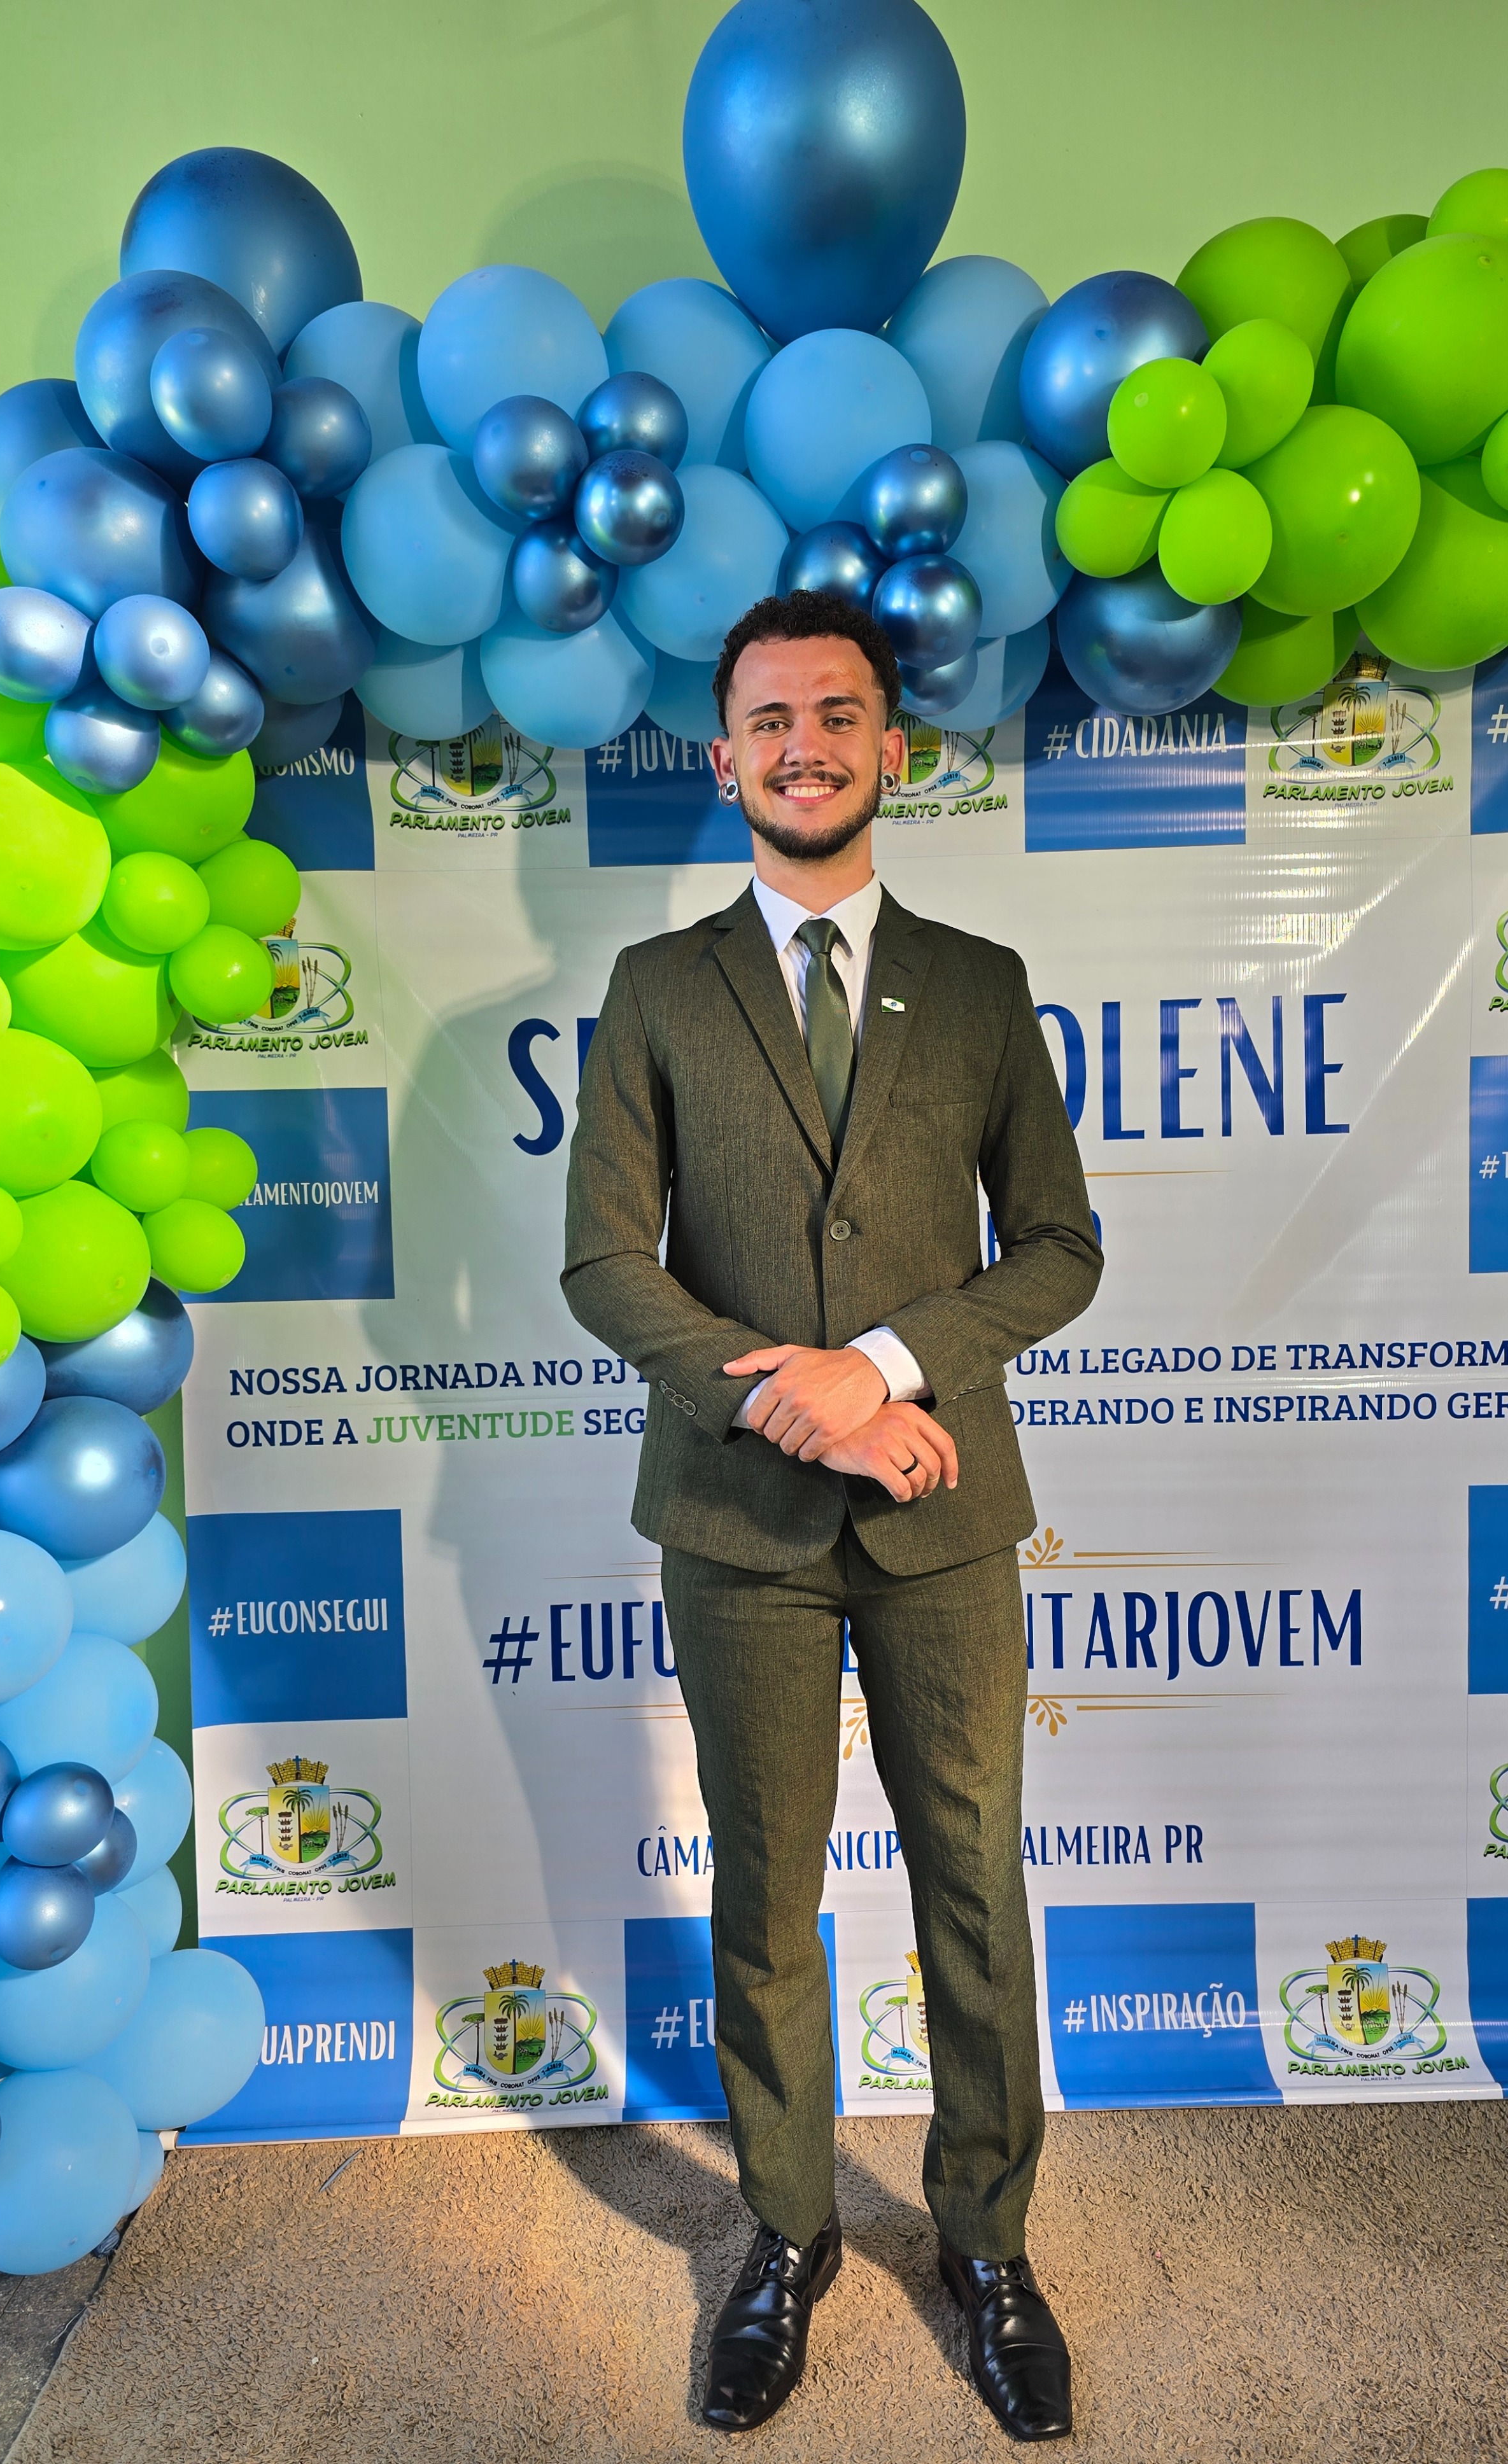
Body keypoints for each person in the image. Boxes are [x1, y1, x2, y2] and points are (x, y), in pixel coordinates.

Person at [562, 591, 1101, 2442]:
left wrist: (878, 1369)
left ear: (892, 747)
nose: (807, 746)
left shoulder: (982, 983)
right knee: (766, 1893)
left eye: (840, 714)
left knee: (975, 1887)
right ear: (727, 760)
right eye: (773, 720)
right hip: (739, 1527)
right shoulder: (657, 987)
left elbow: (1060, 1248)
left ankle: (990, 2245)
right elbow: (604, 1265)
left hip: (946, 1520)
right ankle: (786, 2235)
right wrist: (787, 1400)